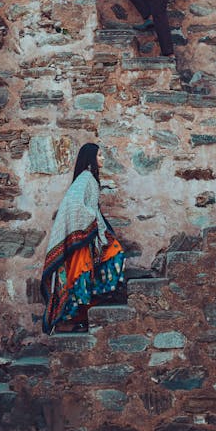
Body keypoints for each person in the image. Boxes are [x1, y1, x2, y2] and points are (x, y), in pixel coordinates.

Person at [41, 143, 125, 334]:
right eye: (100, 155)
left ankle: (83, 318)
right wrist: (91, 222)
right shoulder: (86, 177)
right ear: (90, 158)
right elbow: (73, 203)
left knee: (109, 259)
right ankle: (75, 320)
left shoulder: (90, 179)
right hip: (83, 239)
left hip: (90, 238)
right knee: (82, 276)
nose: (103, 159)